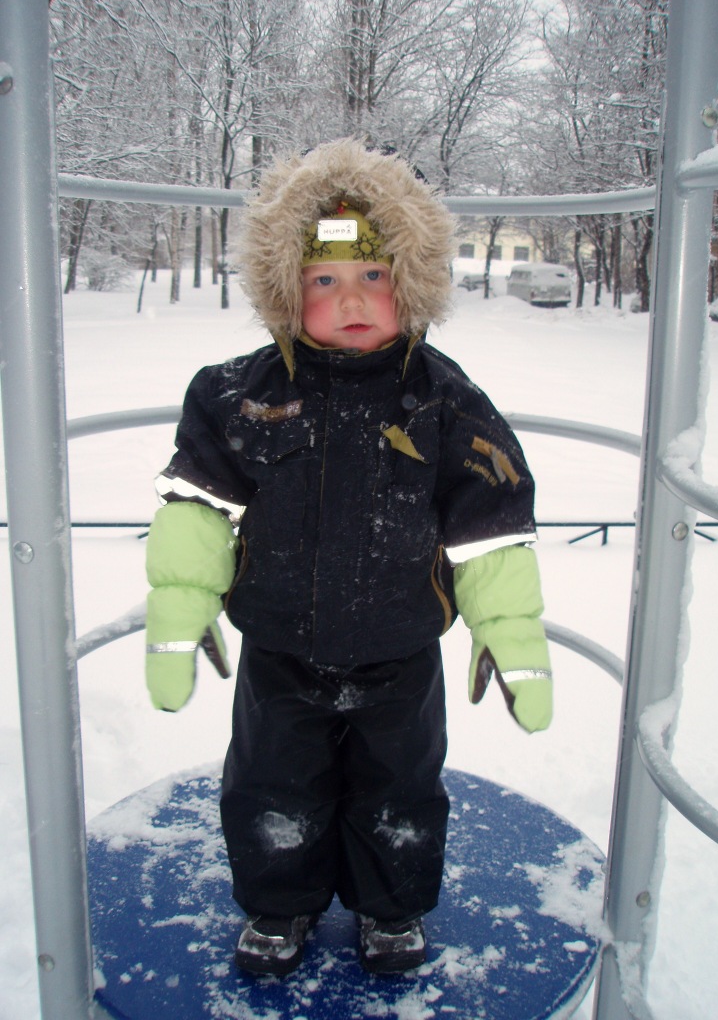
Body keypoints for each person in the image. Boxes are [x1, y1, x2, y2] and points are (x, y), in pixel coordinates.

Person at [144, 138, 553, 978]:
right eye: (324, 280)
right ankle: (278, 903)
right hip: (279, 648)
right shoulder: (237, 394)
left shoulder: (443, 400)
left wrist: (510, 636)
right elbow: (197, 516)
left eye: (374, 274)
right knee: (272, 784)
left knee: (400, 789)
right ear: (284, 289)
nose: (353, 299)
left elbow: (490, 525)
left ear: (414, 280)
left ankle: (390, 907)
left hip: (401, 650)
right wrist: (178, 618)